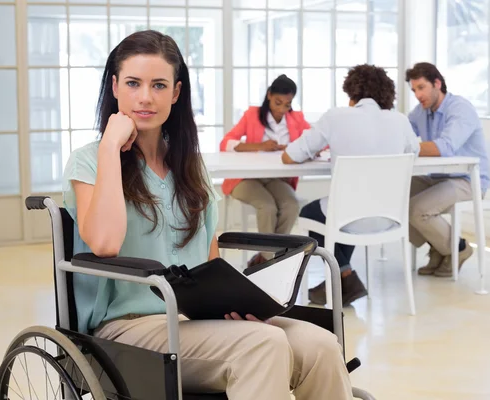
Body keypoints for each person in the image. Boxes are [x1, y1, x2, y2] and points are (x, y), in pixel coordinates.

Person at [62, 30, 353, 400]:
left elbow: (208, 255)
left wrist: (234, 305)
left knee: (320, 344)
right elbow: (104, 243)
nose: (146, 97)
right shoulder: (89, 160)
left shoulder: (189, 166)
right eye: (133, 83)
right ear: (115, 86)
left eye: (159, 85)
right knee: (261, 345)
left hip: (195, 320)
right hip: (126, 328)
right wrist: (109, 146)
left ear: (176, 93)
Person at [281, 64, 420, 307]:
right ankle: (343, 279)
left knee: (315, 213)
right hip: (390, 218)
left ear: (351, 92)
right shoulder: (400, 121)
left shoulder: (336, 117)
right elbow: (413, 153)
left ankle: (345, 276)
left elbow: (290, 155)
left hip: (349, 217)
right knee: (344, 210)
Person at [405, 62, 489, 277]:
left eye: (421, 87)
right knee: (395, 196)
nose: (417, 94)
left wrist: (409, 146)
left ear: (437, 83)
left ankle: (458, 249)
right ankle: (439, 247)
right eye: (414, 90)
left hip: (468, 180)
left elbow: (445, 147)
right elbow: (403, 131)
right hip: (438, 177)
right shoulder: (421, 112)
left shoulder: (460, 108)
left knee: (417, 209)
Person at [219, 75, 311, 268]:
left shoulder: (296, 118)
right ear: (269, 95)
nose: (282, 108)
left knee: (291, 205)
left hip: (276, 178)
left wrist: (297, 148)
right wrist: (260, 145)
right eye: (278, 102)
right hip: (245, 178)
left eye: (287, 104)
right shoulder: (252, 115)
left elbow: (315, 142)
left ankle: (267, 257)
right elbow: (226, 143)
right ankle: (270, 264)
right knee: (267, 207)